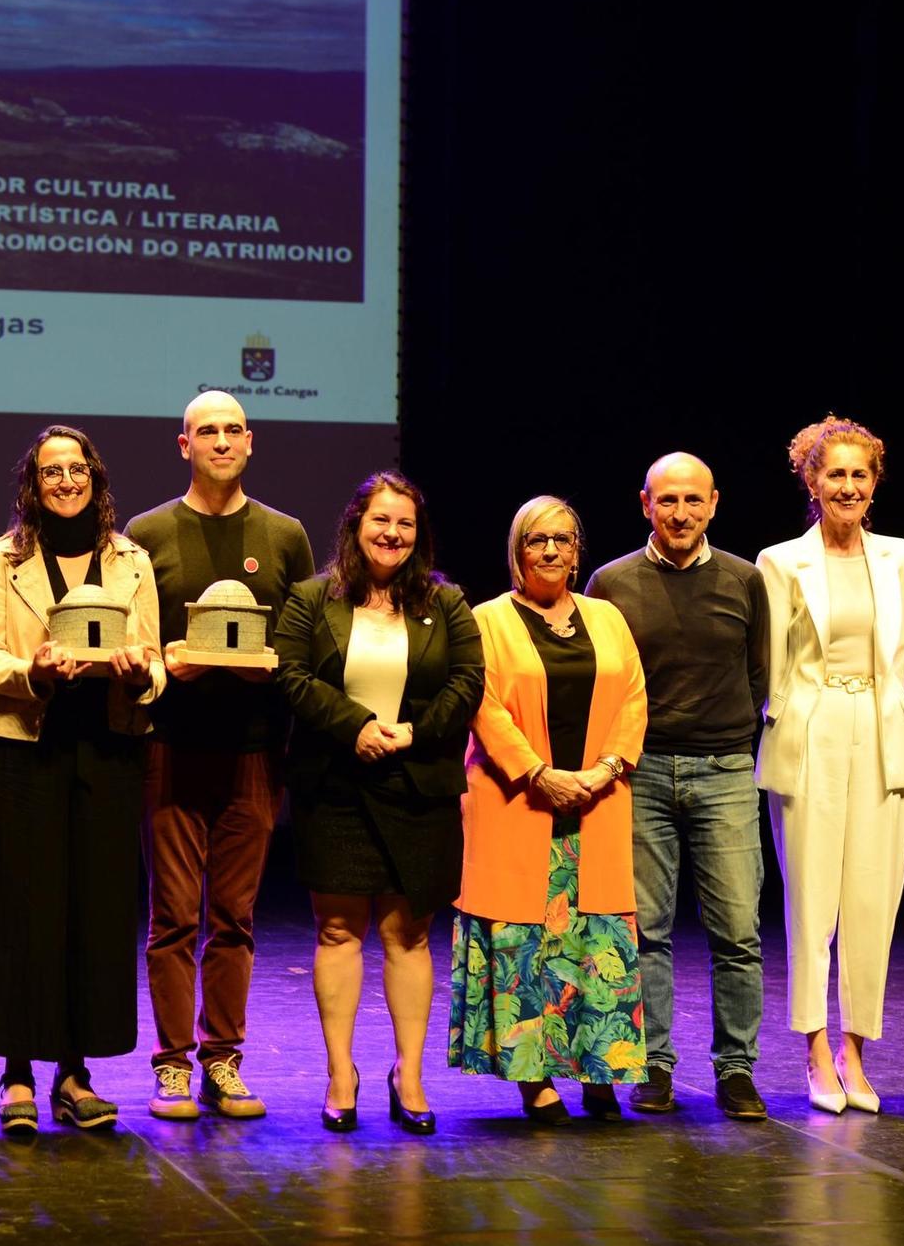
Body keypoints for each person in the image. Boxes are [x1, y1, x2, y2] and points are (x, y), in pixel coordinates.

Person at [0, 424, 164, 1134]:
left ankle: (74, 1073)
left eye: (78, 470)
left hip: (109, 747)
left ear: (96, 479)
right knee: (23, 910)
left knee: (97, 912)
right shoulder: (0, 560)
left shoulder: (131, 560)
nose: (67, 481)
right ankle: (16, 1071)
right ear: (34, 484)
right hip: (26, 746)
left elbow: (158, 661)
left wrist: (142, 675)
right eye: (53, 472)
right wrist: (32, 673)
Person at [125, 391, 315, 1122]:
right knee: (173, 916)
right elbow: (137, 645)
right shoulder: (146, 533)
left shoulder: (284, 534)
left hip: (254, 753)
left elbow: (299, 639)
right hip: (171, 748)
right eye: (208, 431)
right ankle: (171, 1065)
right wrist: (169, 661)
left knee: (233, 917)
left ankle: (223, 1059)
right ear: (184, 445)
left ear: (251, 441)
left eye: (234, 429)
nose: (222, 441)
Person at [276, 471, 482, 1137]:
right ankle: (342, 1073)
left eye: (404, 524)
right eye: (380, 521)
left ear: (417, 536)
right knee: (337, 931)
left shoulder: (445, 602)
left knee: (410, 934)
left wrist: (415, 731)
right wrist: (354, 725)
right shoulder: (312, 598)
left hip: (417, 784)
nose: (391, 534)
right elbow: (290, 674)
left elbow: (468, 681)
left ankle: (409, 1073)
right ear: (356, 525)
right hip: (335, 786)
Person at [586, 453, 770, 1120]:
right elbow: (603, 679)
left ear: (714, 503)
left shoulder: (746, 580)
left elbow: (759, 675)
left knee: (738, 932)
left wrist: (726, 736)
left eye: (694, 500)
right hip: (642, 772)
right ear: (645, 504)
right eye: (668, 501)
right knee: (645, 930)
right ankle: (655, 1065)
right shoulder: (610, 582)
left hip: (724, 771)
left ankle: (736, 1070)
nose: (682, 513)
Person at [454, 495, 647, 1125]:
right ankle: (535, 1081)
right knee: (525, 943)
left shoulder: (607, 618)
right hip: (519, 803)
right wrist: (539, 773)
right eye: (537, 540)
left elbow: (634, 699)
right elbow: (482, 705)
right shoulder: (486, 620)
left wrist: (605, 769)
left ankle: (601, 1073)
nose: (551, 551)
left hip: (597, 803)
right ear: (517, 550)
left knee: (598, 943)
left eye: (563, 540)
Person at [756, 416, 904, 1114]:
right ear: (811, 481)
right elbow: (771, 665)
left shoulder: (897, 555)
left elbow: (901, 658)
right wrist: (786, 726)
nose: (847, 486)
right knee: (812, 899)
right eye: (835, 474)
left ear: (874, 482)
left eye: (860, 474)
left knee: (872, 902)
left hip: (882, 733)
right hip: (812, 730)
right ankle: (816, 1050)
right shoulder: (781, 561)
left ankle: (857, 1048)